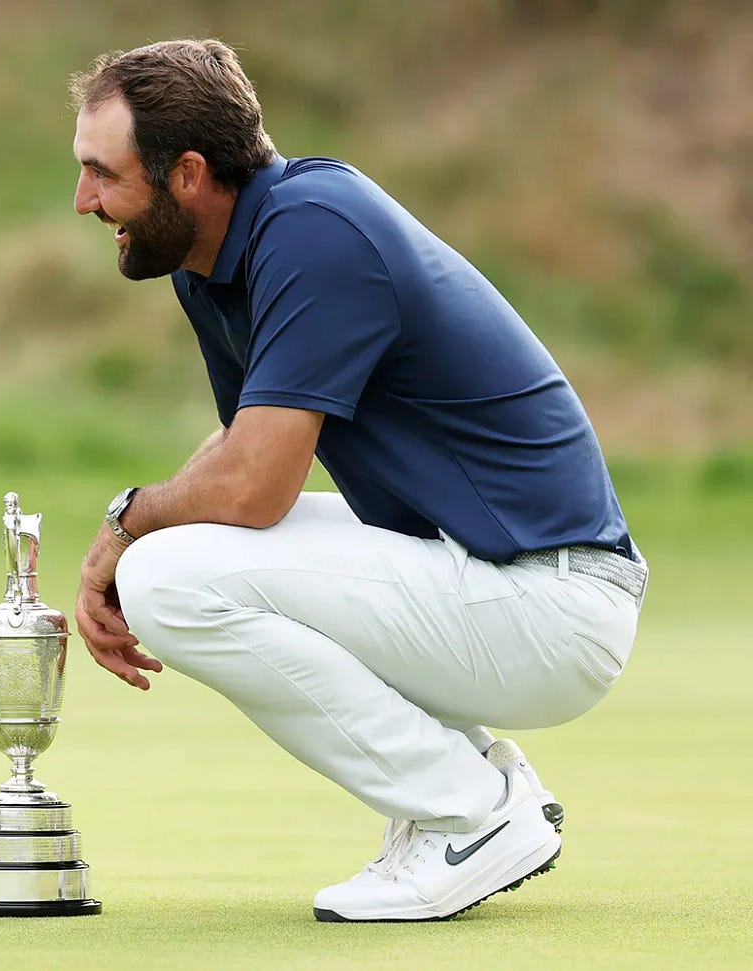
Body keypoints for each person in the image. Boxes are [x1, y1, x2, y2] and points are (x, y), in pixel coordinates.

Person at [68, 40, 648, 922]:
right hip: (489, 579)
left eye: (101, 174)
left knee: (165, 577)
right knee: (175, 552)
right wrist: (138, 523)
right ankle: (473, 780)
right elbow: (243, 438)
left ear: (187, 173)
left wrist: (125, 525)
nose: (84, 200)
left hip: (552, 602)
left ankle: (470, 814)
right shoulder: (215, 258)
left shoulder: (312, 230)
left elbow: (257, 485)